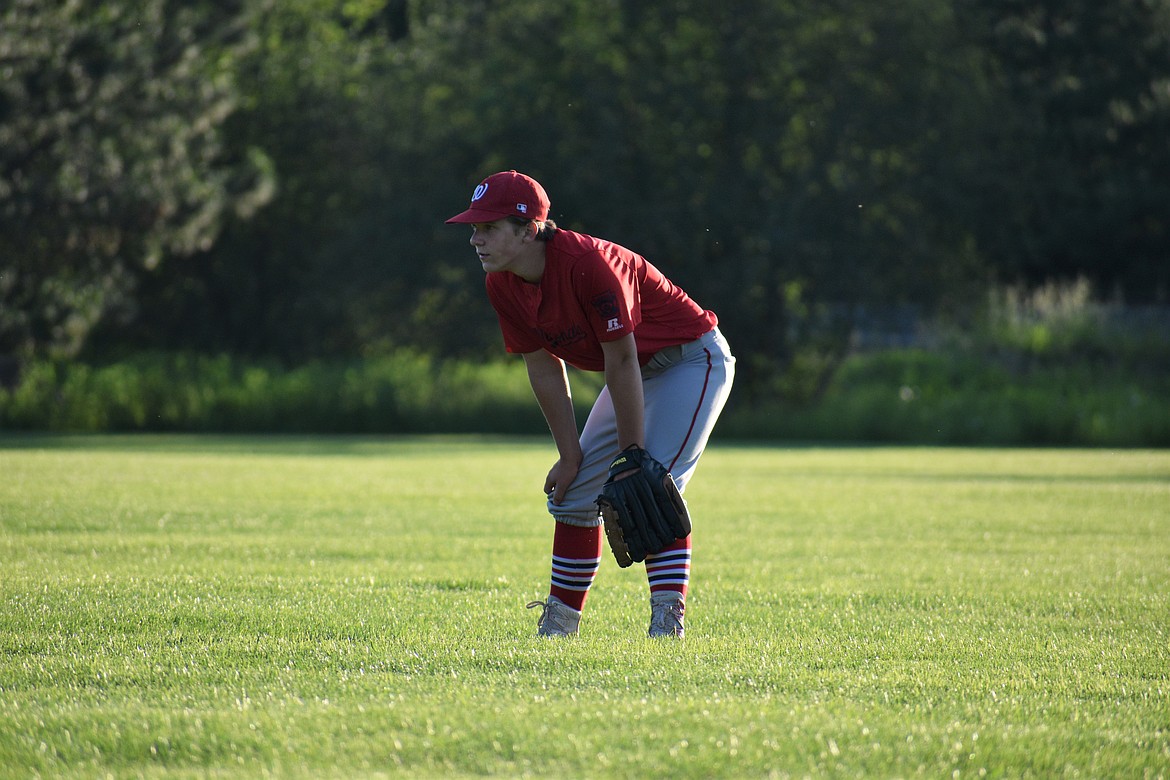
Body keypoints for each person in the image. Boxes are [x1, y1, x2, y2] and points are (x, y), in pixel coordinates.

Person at [446, 170, 735, 638]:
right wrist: (569, 455)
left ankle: (667, 622)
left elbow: (619, 359)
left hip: (690, 360)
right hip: (636, 372)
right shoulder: (502, 282)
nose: (476, 240)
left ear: (528, 228)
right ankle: (559, 625)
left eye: (489, 228)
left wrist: (632, 452)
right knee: (576, 492)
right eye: (475, 229)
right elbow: (542, 367)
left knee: (648, 484)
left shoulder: (588, 264)